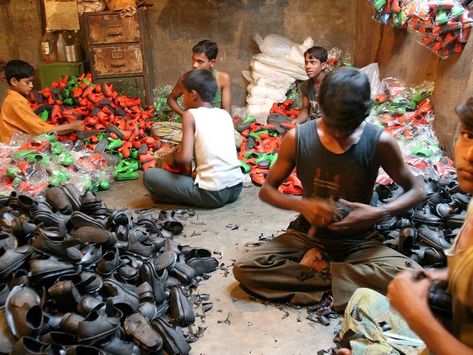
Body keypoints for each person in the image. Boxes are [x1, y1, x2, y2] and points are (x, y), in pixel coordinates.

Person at [233, 67, 426, 311]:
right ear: (321, 107)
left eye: (349, 127)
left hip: (359, 241)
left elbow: (417, 189)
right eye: (334, 125)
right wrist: (302, 205)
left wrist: (380, 213)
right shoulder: (297, 138)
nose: (339, 134)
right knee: (247, 267)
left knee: (415, 279)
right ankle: (345, 281)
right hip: (309, 235)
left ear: (366, 112)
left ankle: (321, 274)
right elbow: (267, 190)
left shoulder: (380, 142)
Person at [144, 69, 243, 208]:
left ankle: (174, 197)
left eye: (184, 94)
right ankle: (177, 194)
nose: (183, 99)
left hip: (214, 195)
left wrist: (172, 156)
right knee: (191, 175)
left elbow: (184, 159)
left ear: (193, 95)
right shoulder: (224, 114)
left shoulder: (190, 115)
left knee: (150, 176)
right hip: (236, 188)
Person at [0, 60, 83, 144]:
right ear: (14, 81)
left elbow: (36, 126)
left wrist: (66, 128)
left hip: (16, 141)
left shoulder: (13, 97)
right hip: (13, 145)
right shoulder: (16, 102)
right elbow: (39, 130)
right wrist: (71, 126)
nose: (31, 85)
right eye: (27, 82)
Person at [167, 40, 231, 116]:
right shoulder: (185, 78)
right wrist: (184, 115)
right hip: (192, 125)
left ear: (212, 63)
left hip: (215, 124)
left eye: (200, 61)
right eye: (193, 59)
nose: (194, 65)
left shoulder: (222, 78)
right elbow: (171, 99)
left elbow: (226, 113)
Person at [296, 46, 328, 124]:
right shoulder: (306, 86)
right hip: (313, 121)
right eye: (306, 62)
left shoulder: (332, 83)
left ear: (323, 65)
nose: (308, 66)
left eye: (312, 62)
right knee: (274, 118)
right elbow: (305, 109)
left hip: (329, 123)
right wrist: (297, 122)